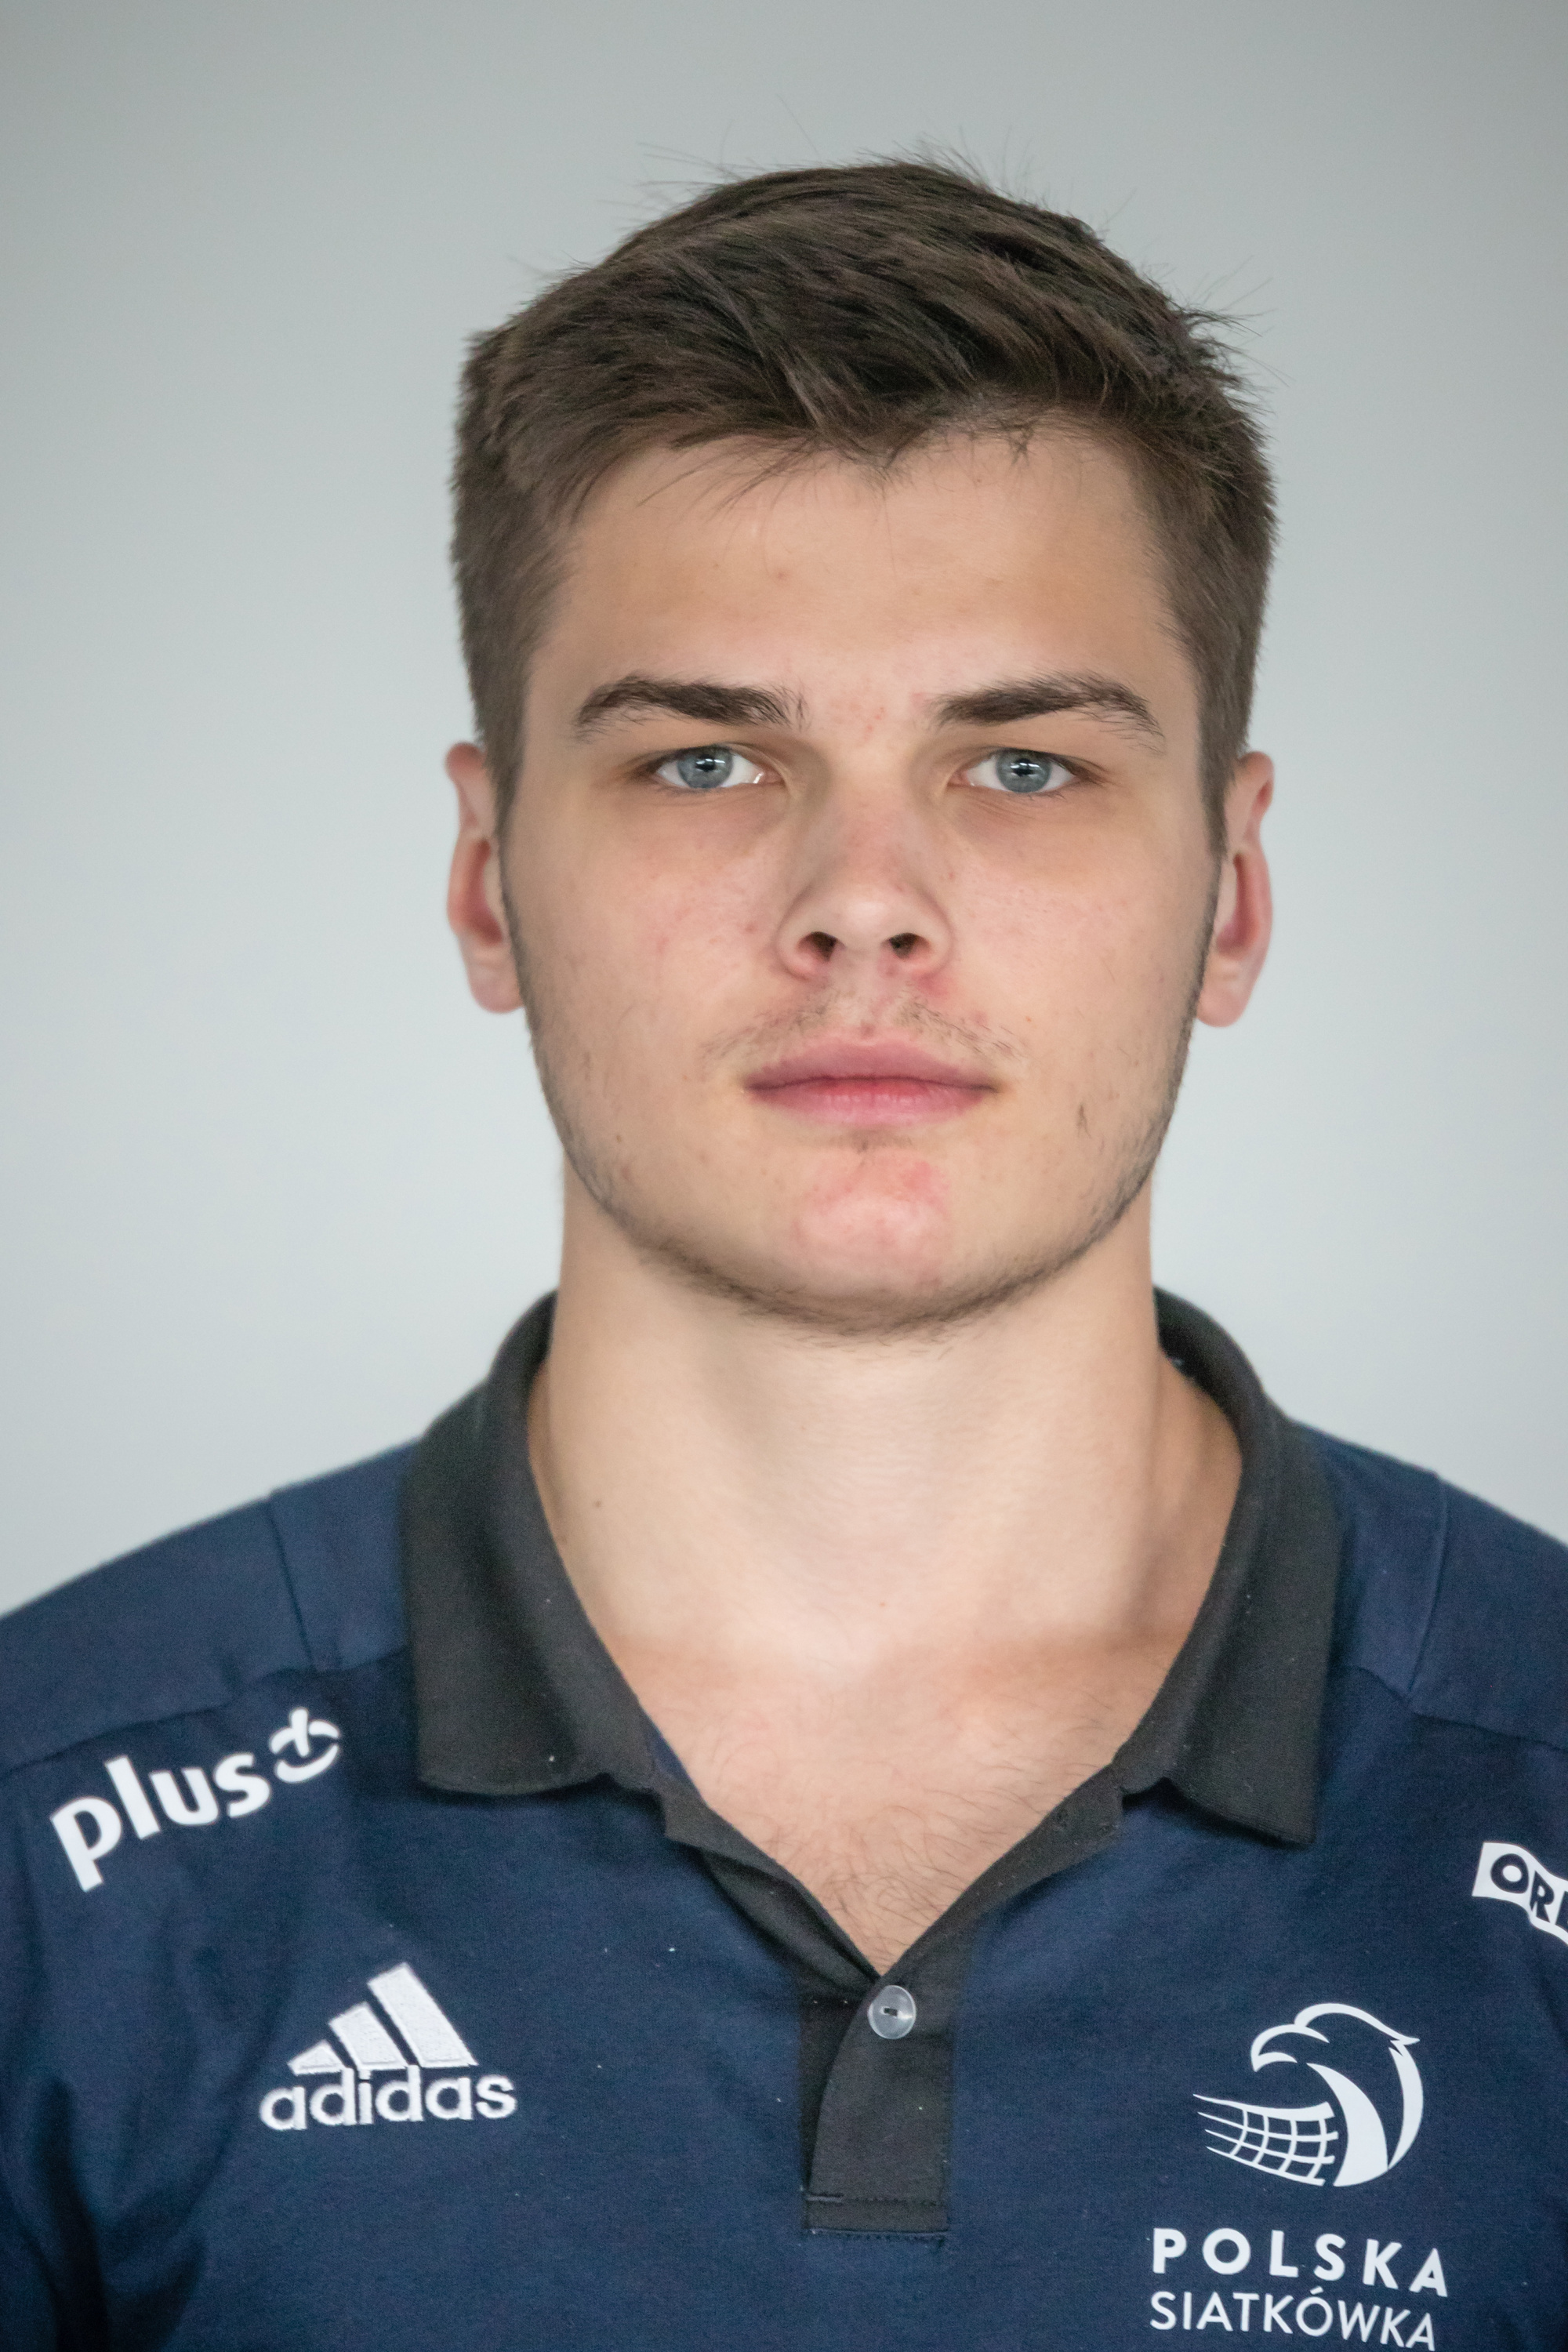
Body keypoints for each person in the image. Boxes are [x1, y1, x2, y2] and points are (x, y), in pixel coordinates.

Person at [2, 160, 1564, 2352]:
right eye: (709, 758)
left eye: (1023, 765)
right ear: (485, 880)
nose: (864, 903)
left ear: (1231, 897)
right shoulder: (48, 1839)